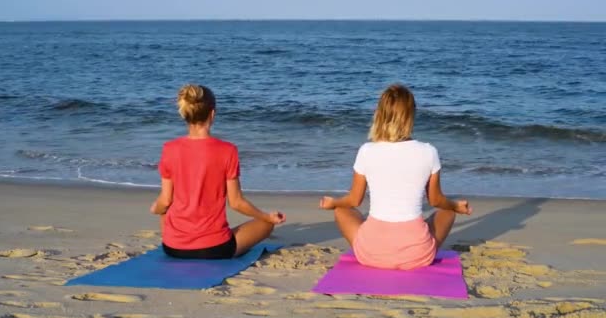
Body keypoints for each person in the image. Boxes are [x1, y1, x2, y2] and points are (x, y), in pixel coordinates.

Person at [319, 84, 472, 270]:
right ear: (411, 115)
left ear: (380, 114)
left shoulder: (367, 151)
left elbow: (353, 200)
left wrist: (333, 203)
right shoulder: (428, 151)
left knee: (341, 210)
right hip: (417, 256)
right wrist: (456, 206)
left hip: (371, 254)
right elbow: (436, 200)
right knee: (447, 211)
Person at [150, 84, 286, 259]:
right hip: (215, 248)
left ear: (184, 114)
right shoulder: (227, 150)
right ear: (212, 114)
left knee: (163, 209)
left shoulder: (169, 149)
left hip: (173, 248)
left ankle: (177, 238)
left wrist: (156, 209)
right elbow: (236, 202)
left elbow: (165, 200)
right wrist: (267, 217)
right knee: (265, 225)